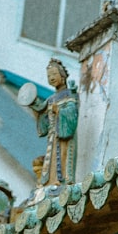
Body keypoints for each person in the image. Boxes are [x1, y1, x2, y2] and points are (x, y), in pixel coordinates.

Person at [36, 58, 78, 186]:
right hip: (52, 137)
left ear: (62, 76)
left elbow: (72, 114)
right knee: (51, 161)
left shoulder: (69, 94)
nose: (51, 78)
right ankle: (50, 182)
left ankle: (62, 181)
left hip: (63, 135)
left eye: (54, 74)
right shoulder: (50, 99)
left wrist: (59, 110)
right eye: (49, 76)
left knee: (62, 159)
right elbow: (44, 124)